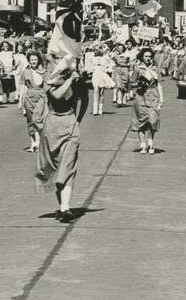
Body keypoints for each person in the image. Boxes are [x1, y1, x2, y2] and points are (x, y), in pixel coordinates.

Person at [35, 55, 87, 223]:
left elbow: (84, 98)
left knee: (69, 165)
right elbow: (57, 95)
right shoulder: (49, 80)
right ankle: (63, 206)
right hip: (53, 126)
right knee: (56, 167)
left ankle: (65, 207)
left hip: (70, 124)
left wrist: (78, 119)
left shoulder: (76, 80)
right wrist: (71, 80)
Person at [131, 47, 163, 154]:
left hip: (153, 95)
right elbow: (131, 83)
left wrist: (161, 98)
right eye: (146, 56)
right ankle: (143, 144)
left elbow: (159, 84)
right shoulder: (138, 68)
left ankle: (150, 142)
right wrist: (139, 83)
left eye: (150, 56)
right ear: (142, 57)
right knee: (141, 120)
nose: (148, 58)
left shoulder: (156, 68)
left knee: (152, 119)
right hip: (141, 96)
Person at [21, 51, 46, 152]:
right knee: (30, 121)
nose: (33, 61)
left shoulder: (43, 71)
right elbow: (22, 87)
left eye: (35, 59)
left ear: (38, 60)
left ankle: (39, 142)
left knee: (39, 120)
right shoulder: (26, 71)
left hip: (41, 97)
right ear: (29, 61)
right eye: (31, 60)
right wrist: (20, 101)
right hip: (29, 97)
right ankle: (33, 143)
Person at [89, 44, 115, 116]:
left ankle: (100, 109)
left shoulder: (105, 57)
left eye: (98, 49)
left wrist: (107, 69)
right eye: (95, 49)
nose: (96, 51)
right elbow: (89, 66)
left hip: (102, 74)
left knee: (101, 92)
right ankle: (95, 110)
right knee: (95, 90)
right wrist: (91, 70)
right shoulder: (92, 57)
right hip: (95, 74)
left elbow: (112, 64)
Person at [12, 42, 29, 111]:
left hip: (25, 73)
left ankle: (22, 103)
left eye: (21, 47)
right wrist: (16, 64)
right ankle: (19, 101)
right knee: (18, 88)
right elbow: (13, 66)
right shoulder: (14, 55)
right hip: (18, 73)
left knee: (24, 89)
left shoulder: (26, 55)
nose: (20, 49)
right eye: (19, 48)